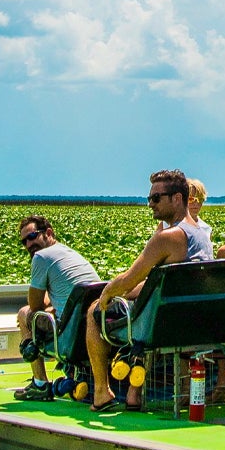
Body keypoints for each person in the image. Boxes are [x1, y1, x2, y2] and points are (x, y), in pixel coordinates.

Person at [86, 169, 212, 410]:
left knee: (94, 312)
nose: (150, 204)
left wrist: (107, 293)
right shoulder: (201, 234)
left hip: (163, 325)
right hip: (195, 320)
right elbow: (159, 282)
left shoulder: (168, 237)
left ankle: (102, 392)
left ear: (177, 198)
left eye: (156, 198)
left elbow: (128, 279)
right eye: (149, 198)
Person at [13, 215, 101, 401]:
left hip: (70, 334)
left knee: (24, 314)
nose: (29, 245)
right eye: (24, 242)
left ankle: (40, 383)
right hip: (93, 327)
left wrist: (48, 304)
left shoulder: (41, 257)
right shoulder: (70, 254)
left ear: (49, 233)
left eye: (32, 236)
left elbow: (35, 306)